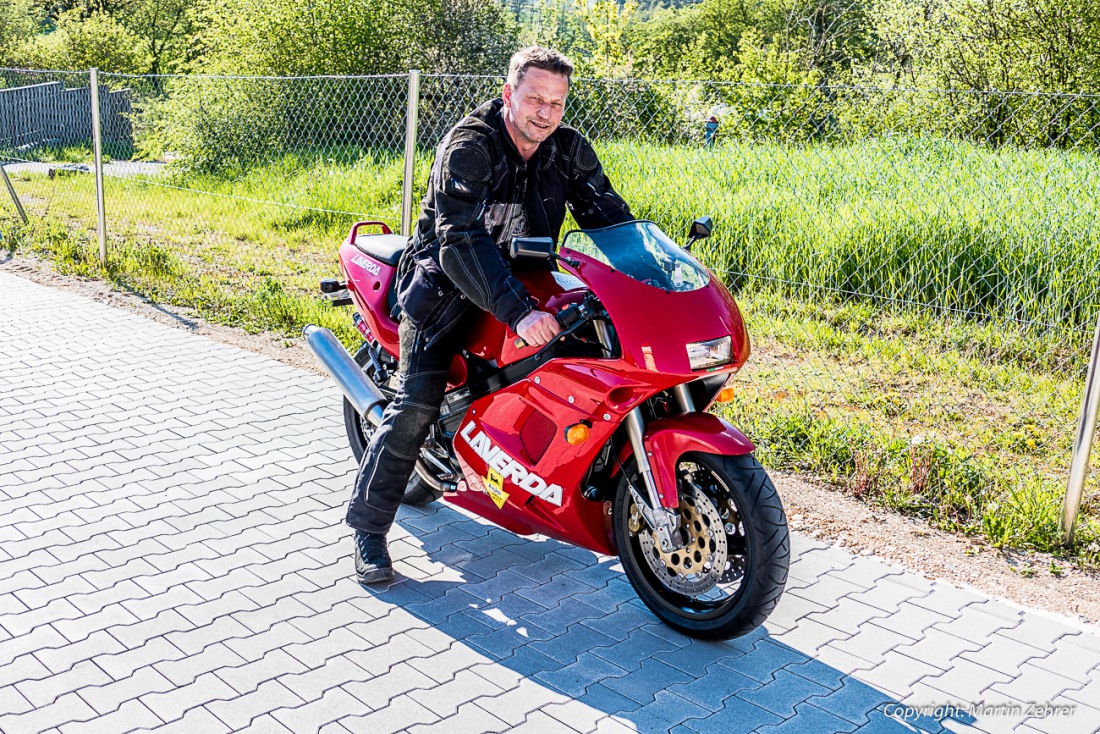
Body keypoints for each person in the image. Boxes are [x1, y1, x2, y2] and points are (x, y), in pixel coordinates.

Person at [346, 46, 633, 583]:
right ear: (509, 94)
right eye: (535, 98)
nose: (546, 112)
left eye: (557, 102)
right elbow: (459, 240)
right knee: (414, 404)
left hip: (529, 283)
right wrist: (519, 312)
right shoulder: (471, 146)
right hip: (448, 283)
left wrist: (649, 273)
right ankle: (368, 530)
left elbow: (609, 216)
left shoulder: (566, 150)